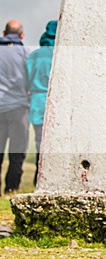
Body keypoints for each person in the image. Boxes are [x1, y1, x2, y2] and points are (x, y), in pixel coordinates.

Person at [0, 20, 30, 195]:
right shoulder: (26, 53)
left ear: (4, 33)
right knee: (17, 154)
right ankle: (12, 190)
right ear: (22, 35)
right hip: (19, 108)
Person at [26, 20, 58, 186]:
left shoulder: (34, 55)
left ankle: (38, 178)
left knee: (40, 142)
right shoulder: (61, 53)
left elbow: (27, 78)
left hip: (37, 101)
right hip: (56, 102)